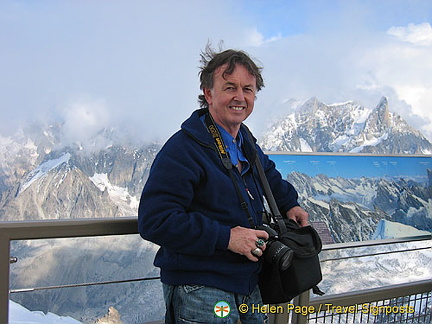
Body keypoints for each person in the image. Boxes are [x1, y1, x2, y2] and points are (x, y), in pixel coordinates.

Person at [138, 45, 308, 323]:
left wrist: (290, 202)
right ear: (208, 93)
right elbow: (155, 220)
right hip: (201, 287)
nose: (240, 97)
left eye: (248, 89)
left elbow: (267, 172)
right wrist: (227, 238)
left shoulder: (245, 140)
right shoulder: (183, 149)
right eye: (230, 87)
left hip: (248, 281)